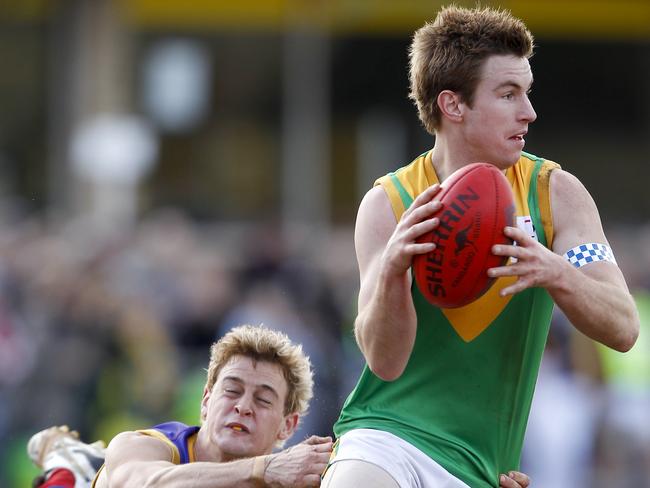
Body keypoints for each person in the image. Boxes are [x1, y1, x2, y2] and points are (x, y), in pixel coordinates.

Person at [322, 5, 640, 488]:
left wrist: (554, 271)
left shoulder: (557, 194)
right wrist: (392, 271)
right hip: (385, 439)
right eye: (508, 94)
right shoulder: (388, 204)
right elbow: (383, 362)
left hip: (482, 468)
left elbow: (623, 327)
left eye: (526, 93)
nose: (528, 112)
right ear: (454, 106)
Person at [29, 324, 333, 487]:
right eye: (231, 391)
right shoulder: (144, 447)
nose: (243, 407)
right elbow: (140, 485)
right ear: (205, 401)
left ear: (288, 425)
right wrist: (260, 469)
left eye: (263, 399)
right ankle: (73, 469)